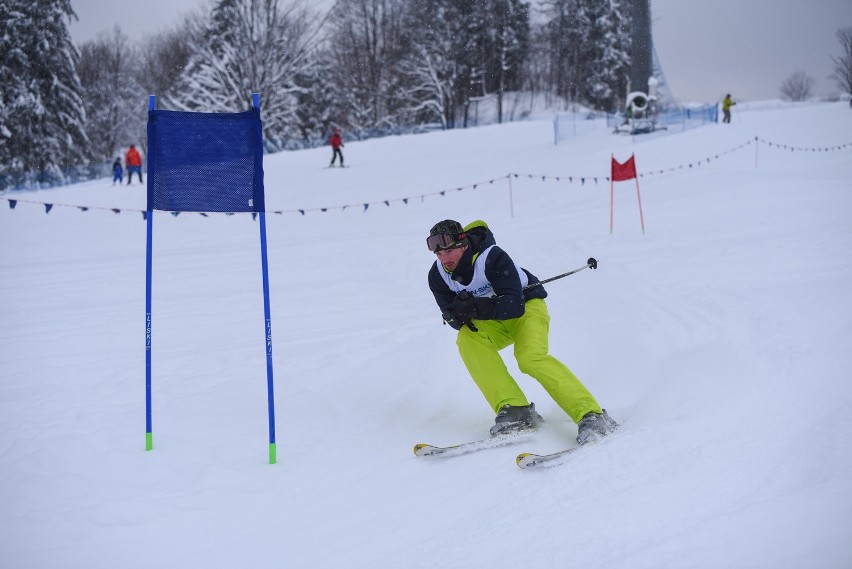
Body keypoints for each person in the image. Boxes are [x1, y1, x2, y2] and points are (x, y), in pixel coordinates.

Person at [426, 219, 618, 444]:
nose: (445, 260)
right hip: (494, 322)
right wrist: (458, 314)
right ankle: (517, 410)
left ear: (463, 245)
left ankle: (591, 414)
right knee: (467, 339)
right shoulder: (438, 276)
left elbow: (513, 306)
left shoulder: (492, 257)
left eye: (449, 252)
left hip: (527, 310)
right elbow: (457, 323)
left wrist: (476, 306)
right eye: (439, 255)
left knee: (528, 358)